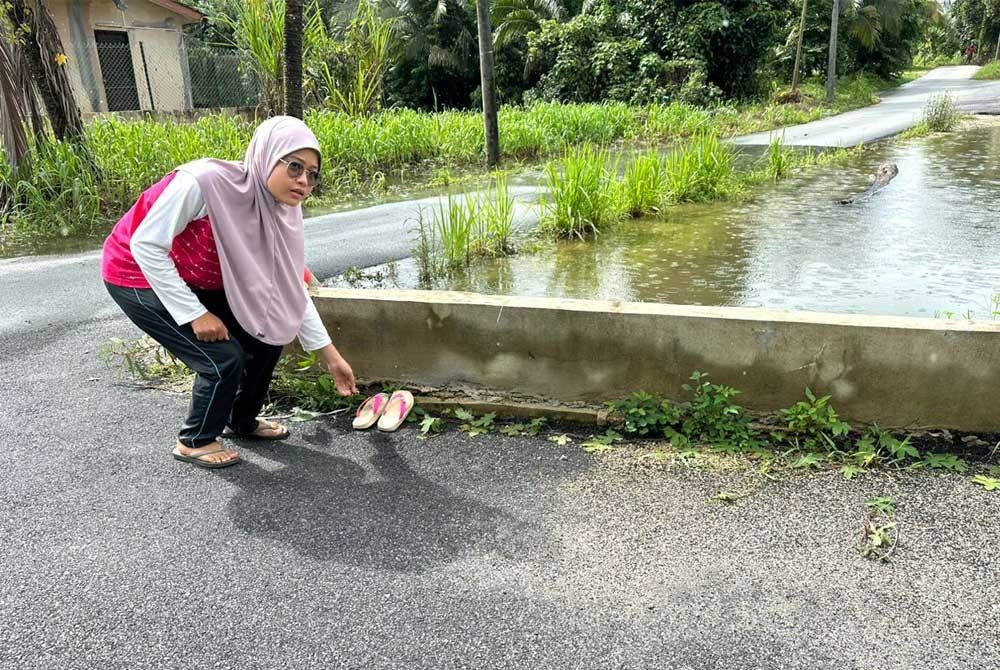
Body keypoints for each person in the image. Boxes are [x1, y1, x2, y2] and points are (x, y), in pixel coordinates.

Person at [102, 115, 357, 469]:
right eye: (294, 167)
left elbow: (289, 289)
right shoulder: (205, 183)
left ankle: (240, 419)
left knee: (265, 338)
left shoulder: (281, 210)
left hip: (197, 279)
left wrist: (330, 356)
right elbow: (146, 245)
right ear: (268, 157)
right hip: (136, 272)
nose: (303, 181)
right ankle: (195, 440)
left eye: (312, 174)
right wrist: (194, 314)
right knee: (222, 358)